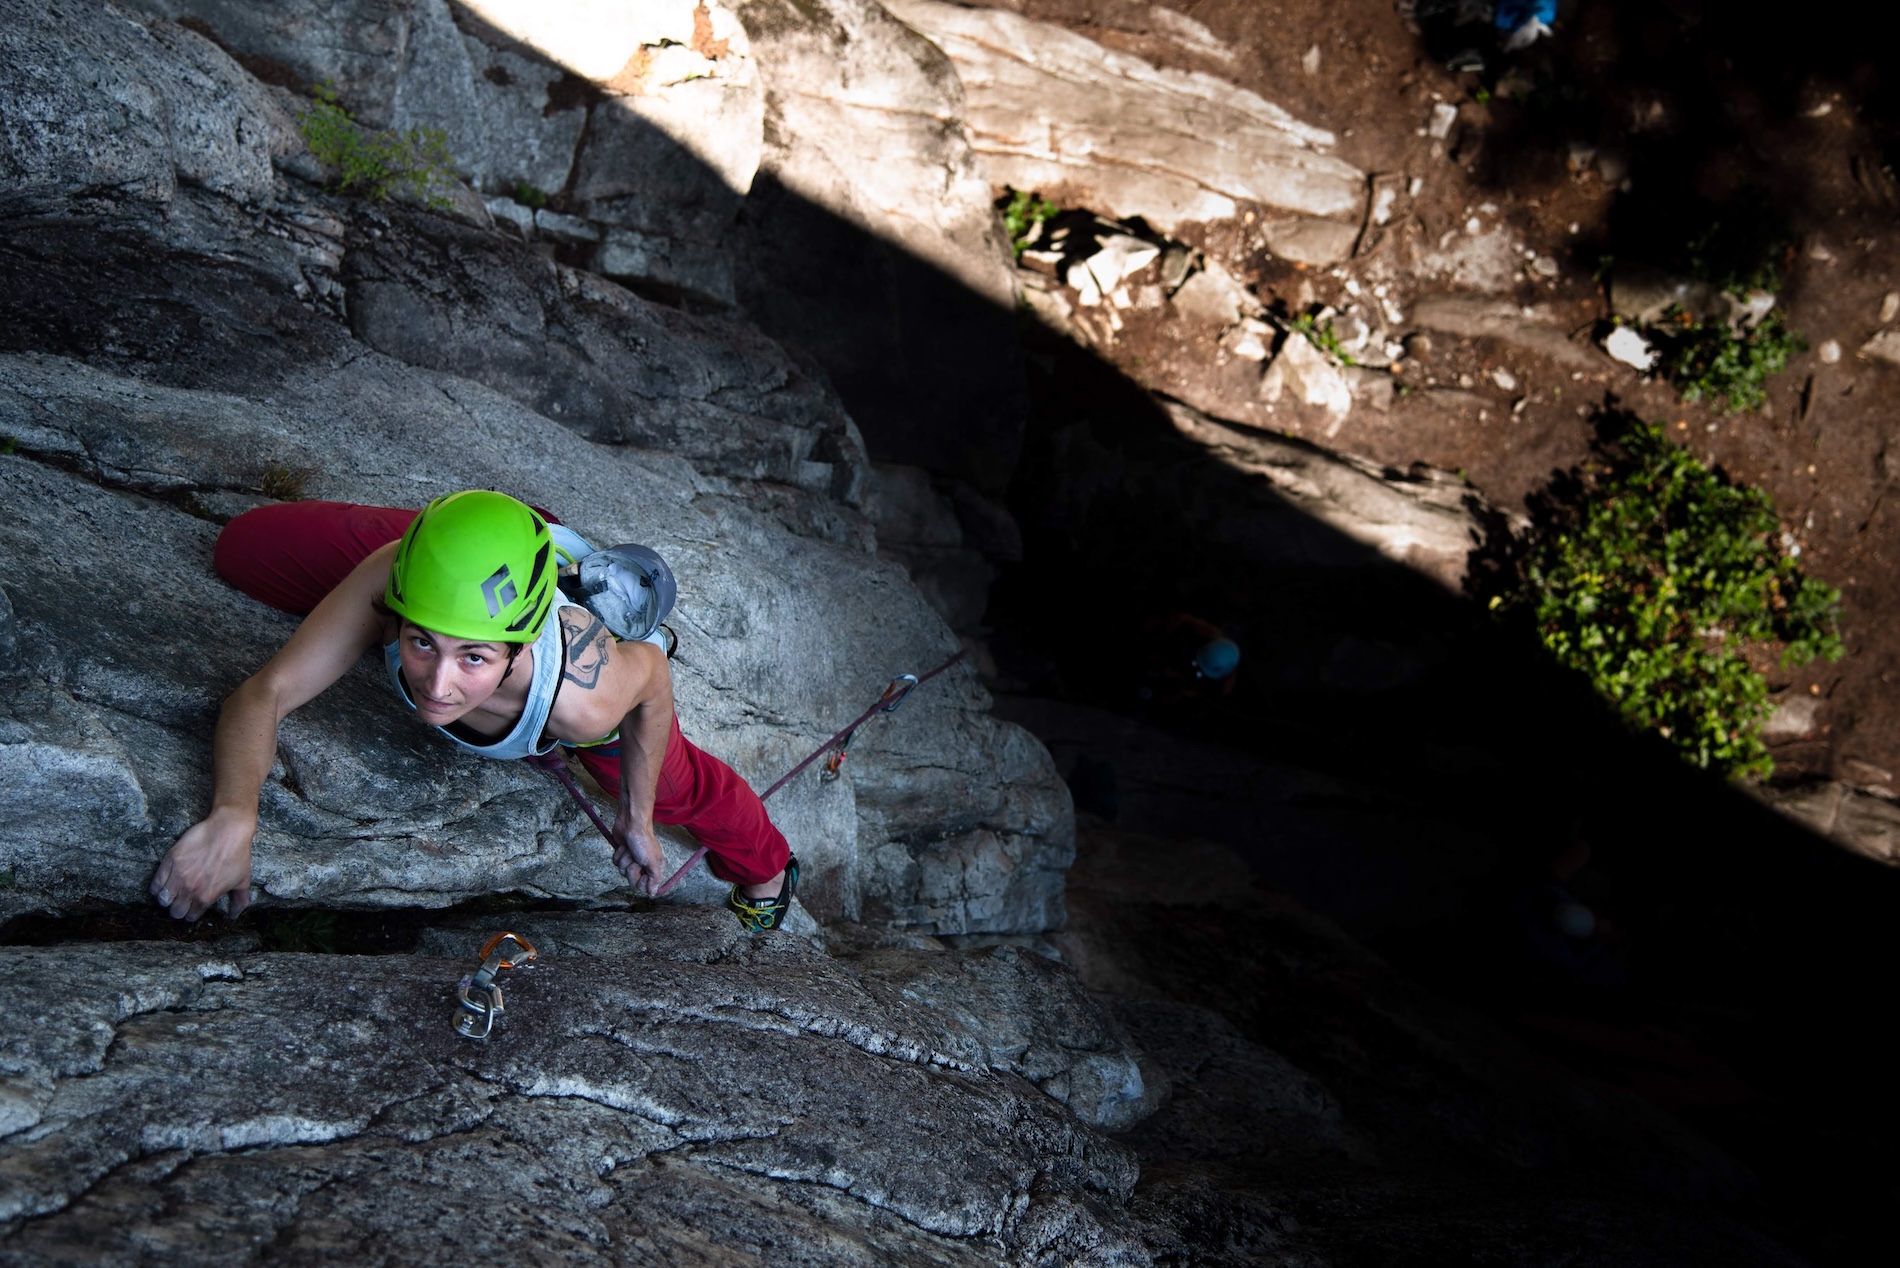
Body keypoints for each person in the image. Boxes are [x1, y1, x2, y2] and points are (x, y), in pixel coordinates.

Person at [147, 491, 797, 930]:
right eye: (420, 643)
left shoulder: (584, 696)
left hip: (546, 607)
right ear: (400, 609)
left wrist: (636, 812)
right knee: (243, 552)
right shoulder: (393, 579)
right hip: (460, 570)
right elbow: (265, 693)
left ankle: (769, 869)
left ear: (517, 650)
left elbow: (652, 679)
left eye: (475, 660)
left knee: (680, 789)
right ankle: (480, 532)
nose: (437, 685)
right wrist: (236, 814)